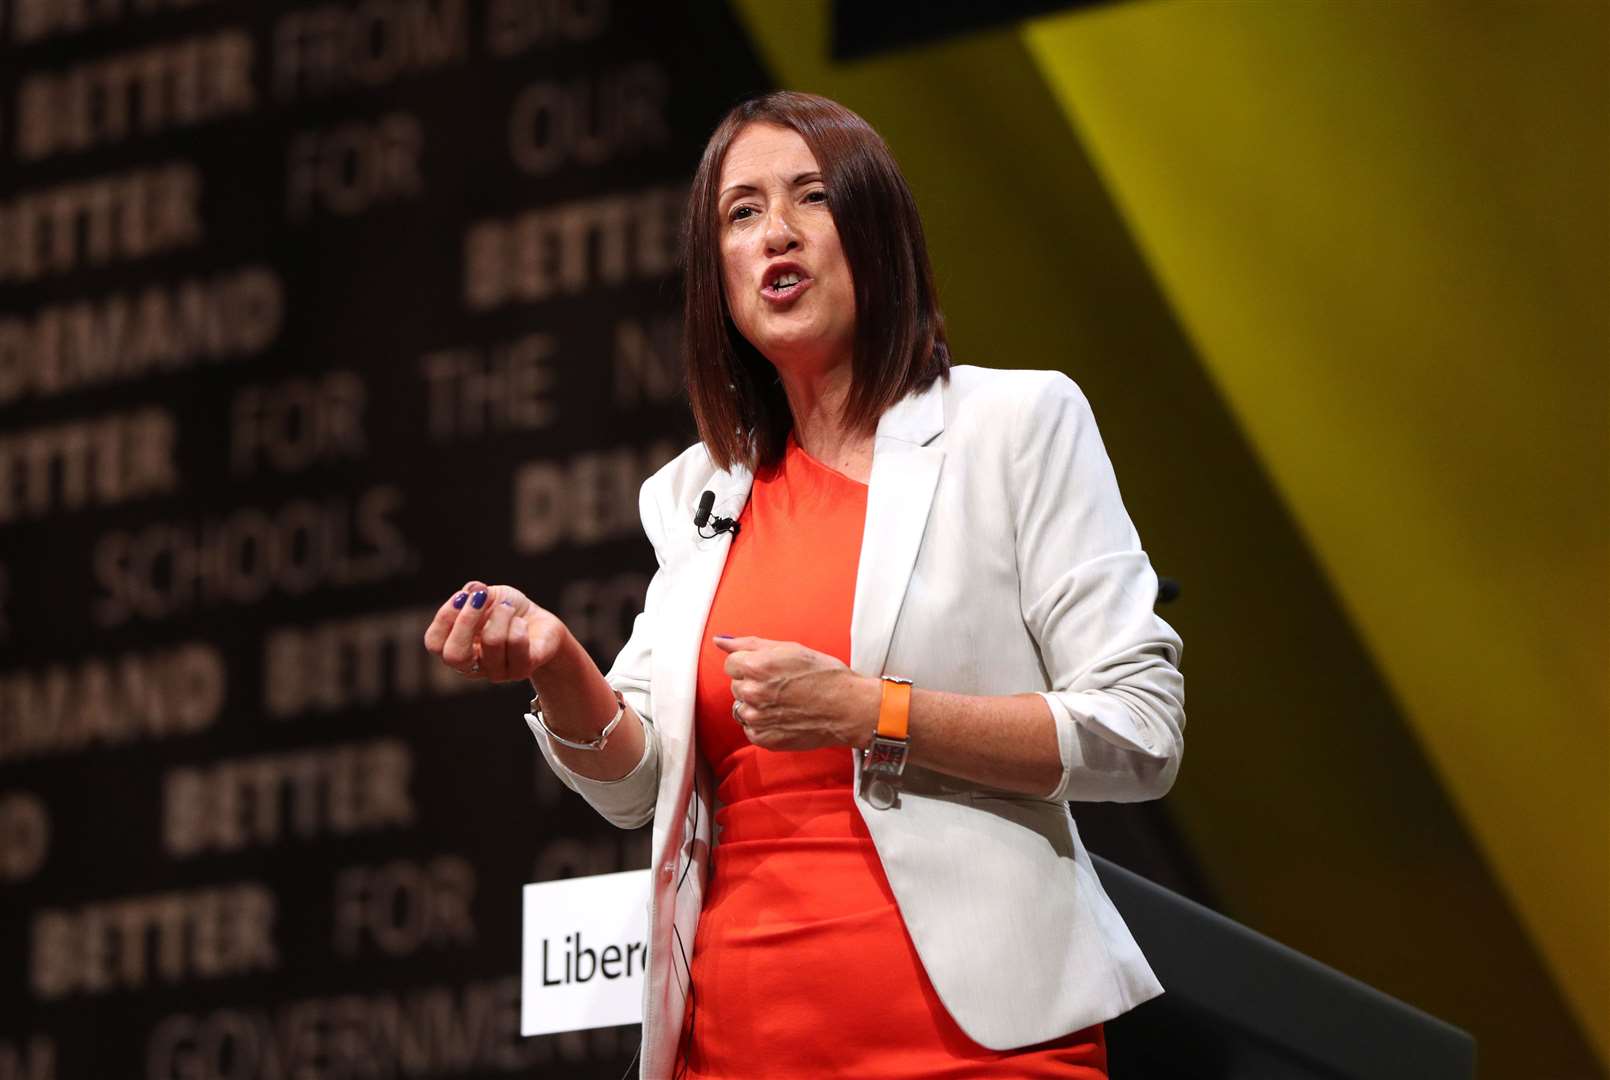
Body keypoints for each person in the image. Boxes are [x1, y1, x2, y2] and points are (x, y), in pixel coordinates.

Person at [424, 91, 1185, 1080]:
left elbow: (1139, 731)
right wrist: (559, 665)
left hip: (970, 1047)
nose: (774, 231)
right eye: (740, 212)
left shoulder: (1014, 427)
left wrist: (873, 711)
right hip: (735, 1040)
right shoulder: (694, 495)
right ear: (721, 279)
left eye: (810, 197)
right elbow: (637, 786)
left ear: (874, 232)